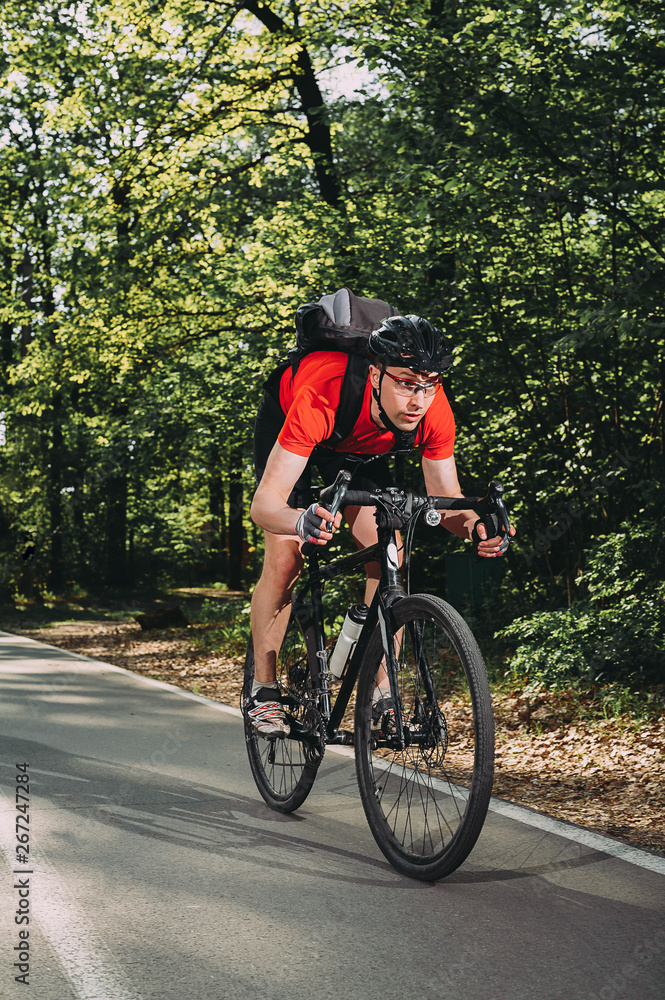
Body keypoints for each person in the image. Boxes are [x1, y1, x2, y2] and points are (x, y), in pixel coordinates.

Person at [247, 313, 511, 738]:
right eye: (406, 382)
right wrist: (302, 519)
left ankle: (382, 691)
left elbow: (447, 503)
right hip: (296, 426)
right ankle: (263, 692)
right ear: (375, 374)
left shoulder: (433, 409)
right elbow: (264, 505)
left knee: (391, 549)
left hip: (358, 451)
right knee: (284, 560)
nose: (418, 399)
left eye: (429, 384)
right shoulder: (321, 394)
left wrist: (479, 527)